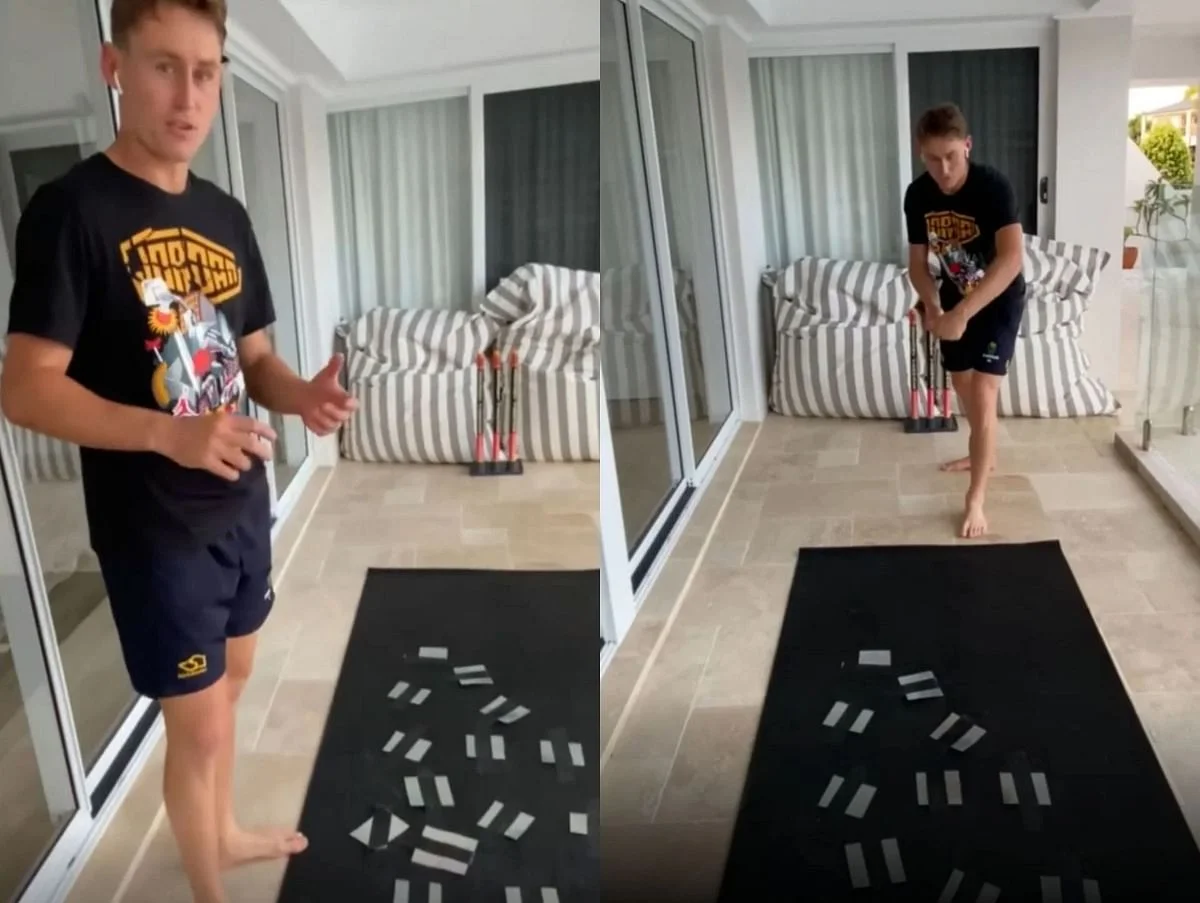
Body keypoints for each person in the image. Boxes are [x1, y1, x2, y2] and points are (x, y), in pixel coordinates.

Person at [0, 1, 357, 901]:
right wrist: (169, 431)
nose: (189, 96)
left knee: (231, 686)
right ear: (115, 67)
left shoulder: (225, 214)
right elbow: (26, 386)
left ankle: (222, 832)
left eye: (206, 71)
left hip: (240, 503)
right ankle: (209, 886)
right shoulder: (70, 211)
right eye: (164, 67)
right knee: (198, 727)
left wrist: (302, 396)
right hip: (153, 531)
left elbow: (256, 357)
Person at [903, 103, 1026, 540]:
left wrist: (960, 314)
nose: (944, 169)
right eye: (933, 158)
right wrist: (933, 306)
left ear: (967, 146)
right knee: (962, 386)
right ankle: (982, 452)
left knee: (985, 393)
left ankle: (976, 497)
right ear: (921, 153)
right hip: (954, 297)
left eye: (952, 156)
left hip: (997, 299)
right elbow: (918, 263)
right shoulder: (918, 195)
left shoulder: (993, 187)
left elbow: (1011, 259)